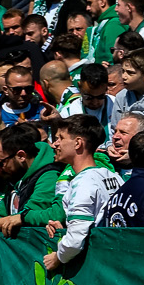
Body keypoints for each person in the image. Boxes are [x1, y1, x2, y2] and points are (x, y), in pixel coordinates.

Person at [42, 115, 122, 273]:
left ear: (78, 143)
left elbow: (76, 240)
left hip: (98, 267)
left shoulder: (83, 182)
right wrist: (65, 228)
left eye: (60, 138)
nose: (54, 144)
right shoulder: (114, 176)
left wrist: (58, 257)